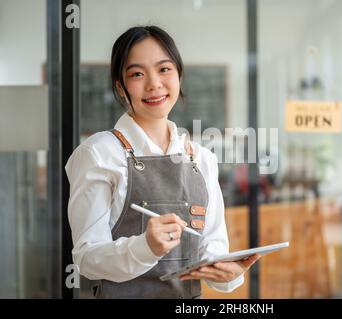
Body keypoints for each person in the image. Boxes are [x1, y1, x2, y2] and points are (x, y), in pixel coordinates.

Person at [65, 25, 259, 299]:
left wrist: (228, 275)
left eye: (164, 69)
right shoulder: (98, 154)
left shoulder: (202, 159)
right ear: (120, 87)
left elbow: (211, 250)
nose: (154, 83)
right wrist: (147, 247)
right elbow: (86, 258)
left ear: (179, 75)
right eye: (137, 74)